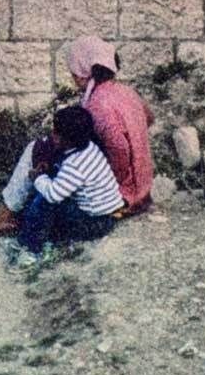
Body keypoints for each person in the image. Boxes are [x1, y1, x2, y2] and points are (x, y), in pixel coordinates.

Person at [0, 36, 155, 238]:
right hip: (142, 187)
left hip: (124, 194)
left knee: (36, 149)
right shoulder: (125, 91)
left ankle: (7, 213)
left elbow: (119, 148)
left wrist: (112, 181)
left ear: (82, 73)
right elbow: (149, 118)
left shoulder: (99, 104)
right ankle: (13, 208)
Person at [13, 105, 123, 264]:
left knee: (43, 201)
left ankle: (31, 249)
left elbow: (53, 195)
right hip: (108, 213)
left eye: (56, 134)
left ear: (68, 139)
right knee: (47, 191)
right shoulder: (88, 147)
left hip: (96, 222)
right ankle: (42, 232)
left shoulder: (75, 164)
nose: (52, 135)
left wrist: (37, 177)